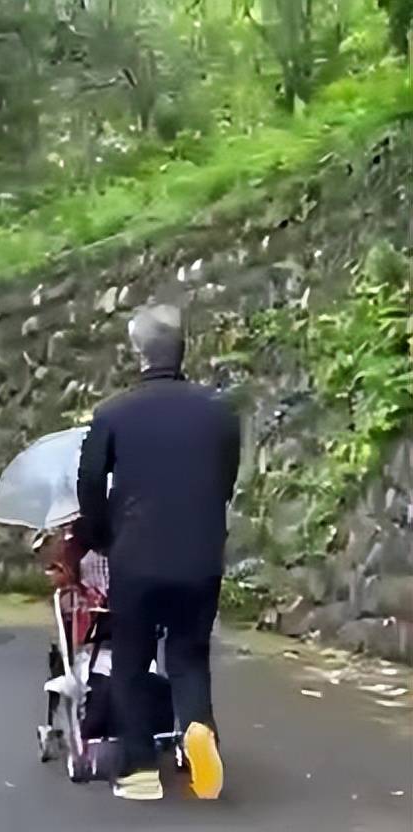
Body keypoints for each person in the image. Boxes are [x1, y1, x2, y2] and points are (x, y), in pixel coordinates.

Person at [76, 303, 240, 801]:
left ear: (138, 352)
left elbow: (89, 484)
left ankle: (139, 771)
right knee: (189, 653)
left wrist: (101, 537)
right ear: (183, 349)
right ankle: (197, 734)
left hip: (137, 557)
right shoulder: (219, 411)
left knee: (132, 658)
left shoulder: (113, 414)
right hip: (201, 556)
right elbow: (225, 481)